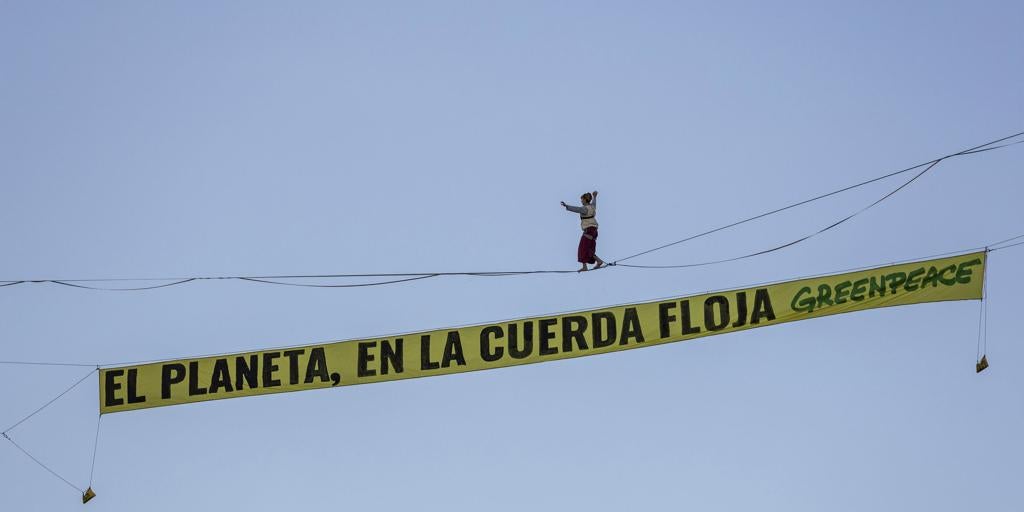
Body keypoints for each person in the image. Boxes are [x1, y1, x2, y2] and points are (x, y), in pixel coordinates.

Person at [561, 190, 605, 272]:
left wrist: (567, 206)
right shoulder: (592, 207)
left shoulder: (585, 209)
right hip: (594, 231)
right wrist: (595, 196)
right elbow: (594, 203)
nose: (581, 201)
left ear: (585, 200)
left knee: (582, 248)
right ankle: (599, 261)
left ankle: (585, 267)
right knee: (589, 249)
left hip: (588, 230)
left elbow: (577, 209)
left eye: (582, 199)